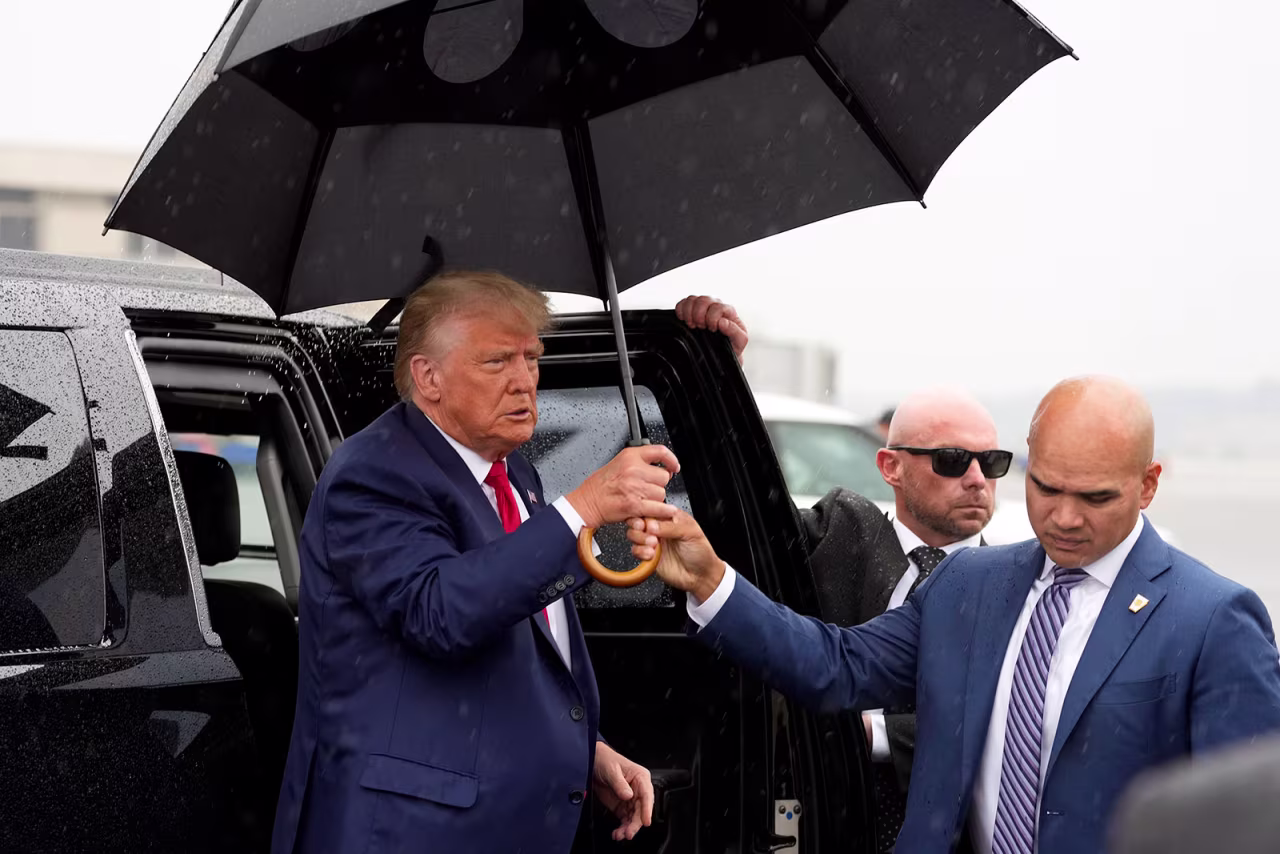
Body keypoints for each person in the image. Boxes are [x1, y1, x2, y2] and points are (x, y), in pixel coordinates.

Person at [628, 375, 1280, 854]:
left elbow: (1245, 824)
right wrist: (712, 581)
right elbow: (834, 664)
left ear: (1148, 485)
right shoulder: (969, 582)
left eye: (1095, 497)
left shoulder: (1214, 618)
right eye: (1045, 487)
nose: (1063, 515)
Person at [271, 272, 747, 854]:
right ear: (429, 377)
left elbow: (518, 627)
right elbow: (440, 612)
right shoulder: (371, 474)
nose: (525, 382)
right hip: (410, 834)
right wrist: (582, 509)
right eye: (498, 362)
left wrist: (585, 751)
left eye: (532, 358)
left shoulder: (515, 473)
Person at [801, 388, 1010, 852]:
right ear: (889, 466)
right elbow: (728, 525)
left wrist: (870, 734)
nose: (977, 479)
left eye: (992, 461)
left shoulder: (1015, 593)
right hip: (816, 824)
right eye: (953, 459)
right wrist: (723, 373)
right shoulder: (837, 537)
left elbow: (1001, 726)